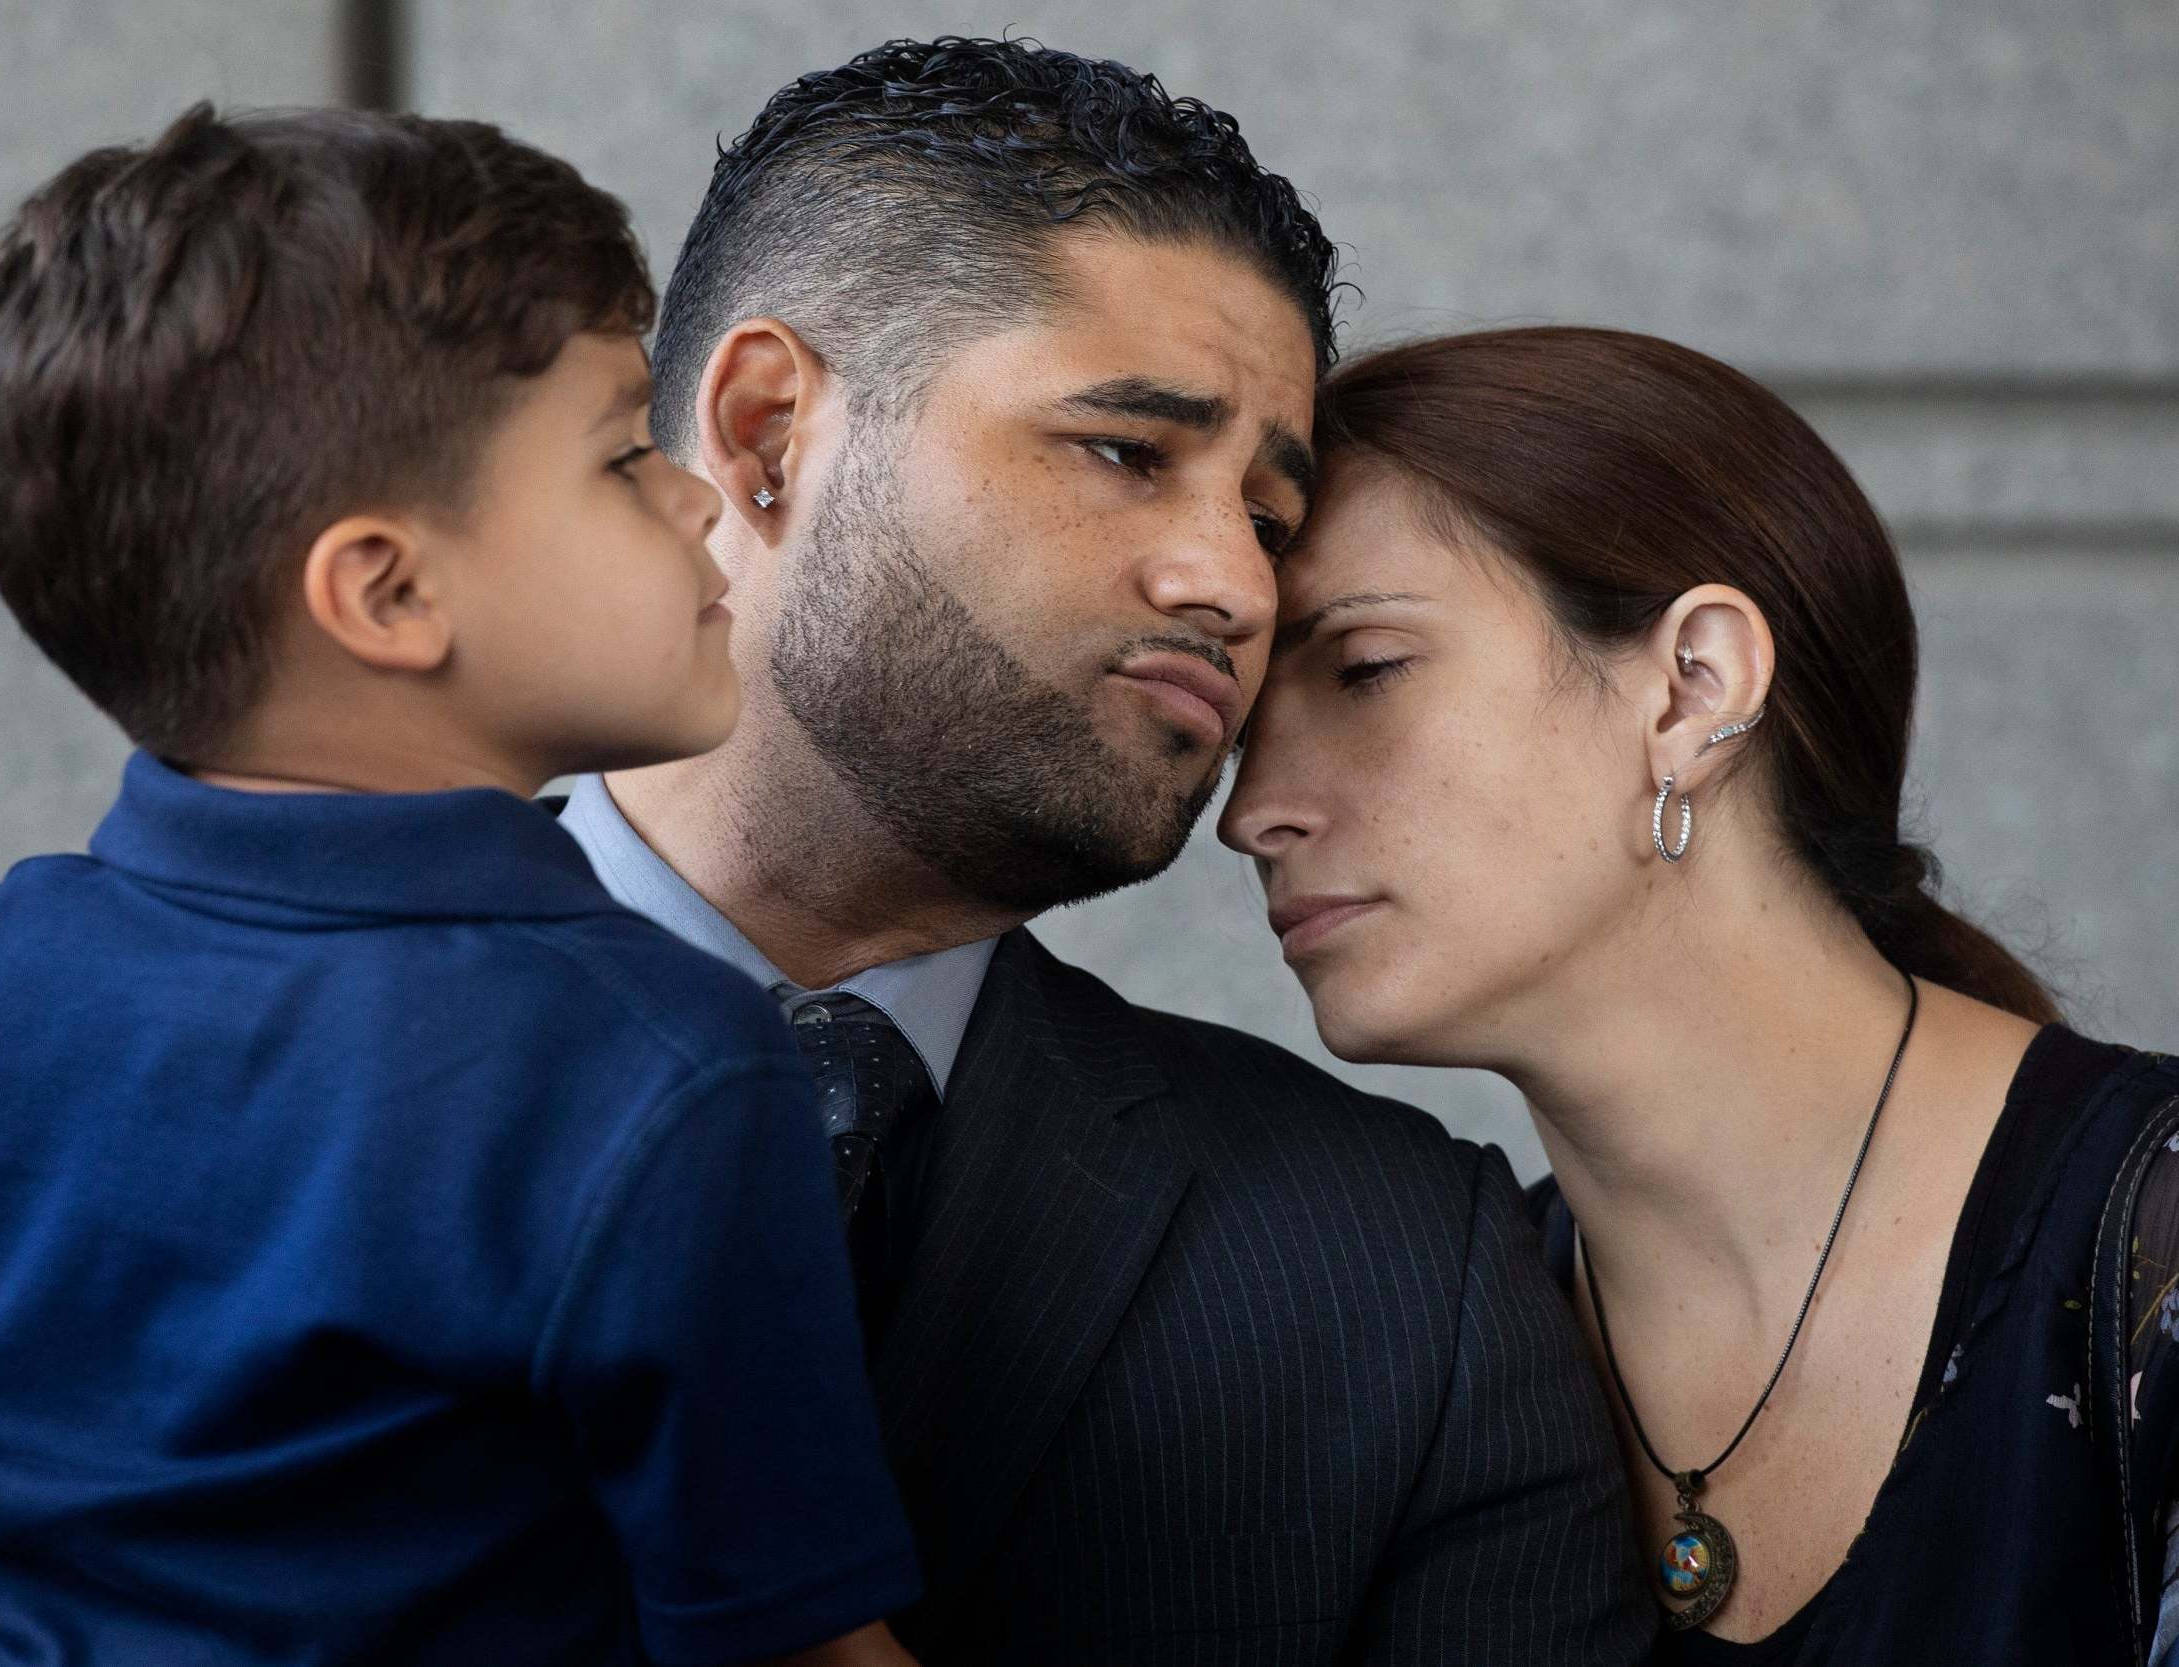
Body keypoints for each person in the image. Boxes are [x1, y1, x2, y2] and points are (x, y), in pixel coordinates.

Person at [560, 37, 1653, 1667]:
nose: (1233, 584)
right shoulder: (136, 1051)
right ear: (770, 429)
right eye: (1126, 453)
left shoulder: (1414, 1276)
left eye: (1272, 522)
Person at [0, 105, 919, 1666]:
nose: (692, 495)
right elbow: (789, 1645)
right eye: (620, 452)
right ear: (389, 591)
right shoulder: (650, 1066)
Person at [1221, 323, 2179, 1664]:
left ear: (1691, 689)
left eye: (1365, 671)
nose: (1253, 814)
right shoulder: (1453, 1332)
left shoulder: (2149, 1253)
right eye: (1243, 731)